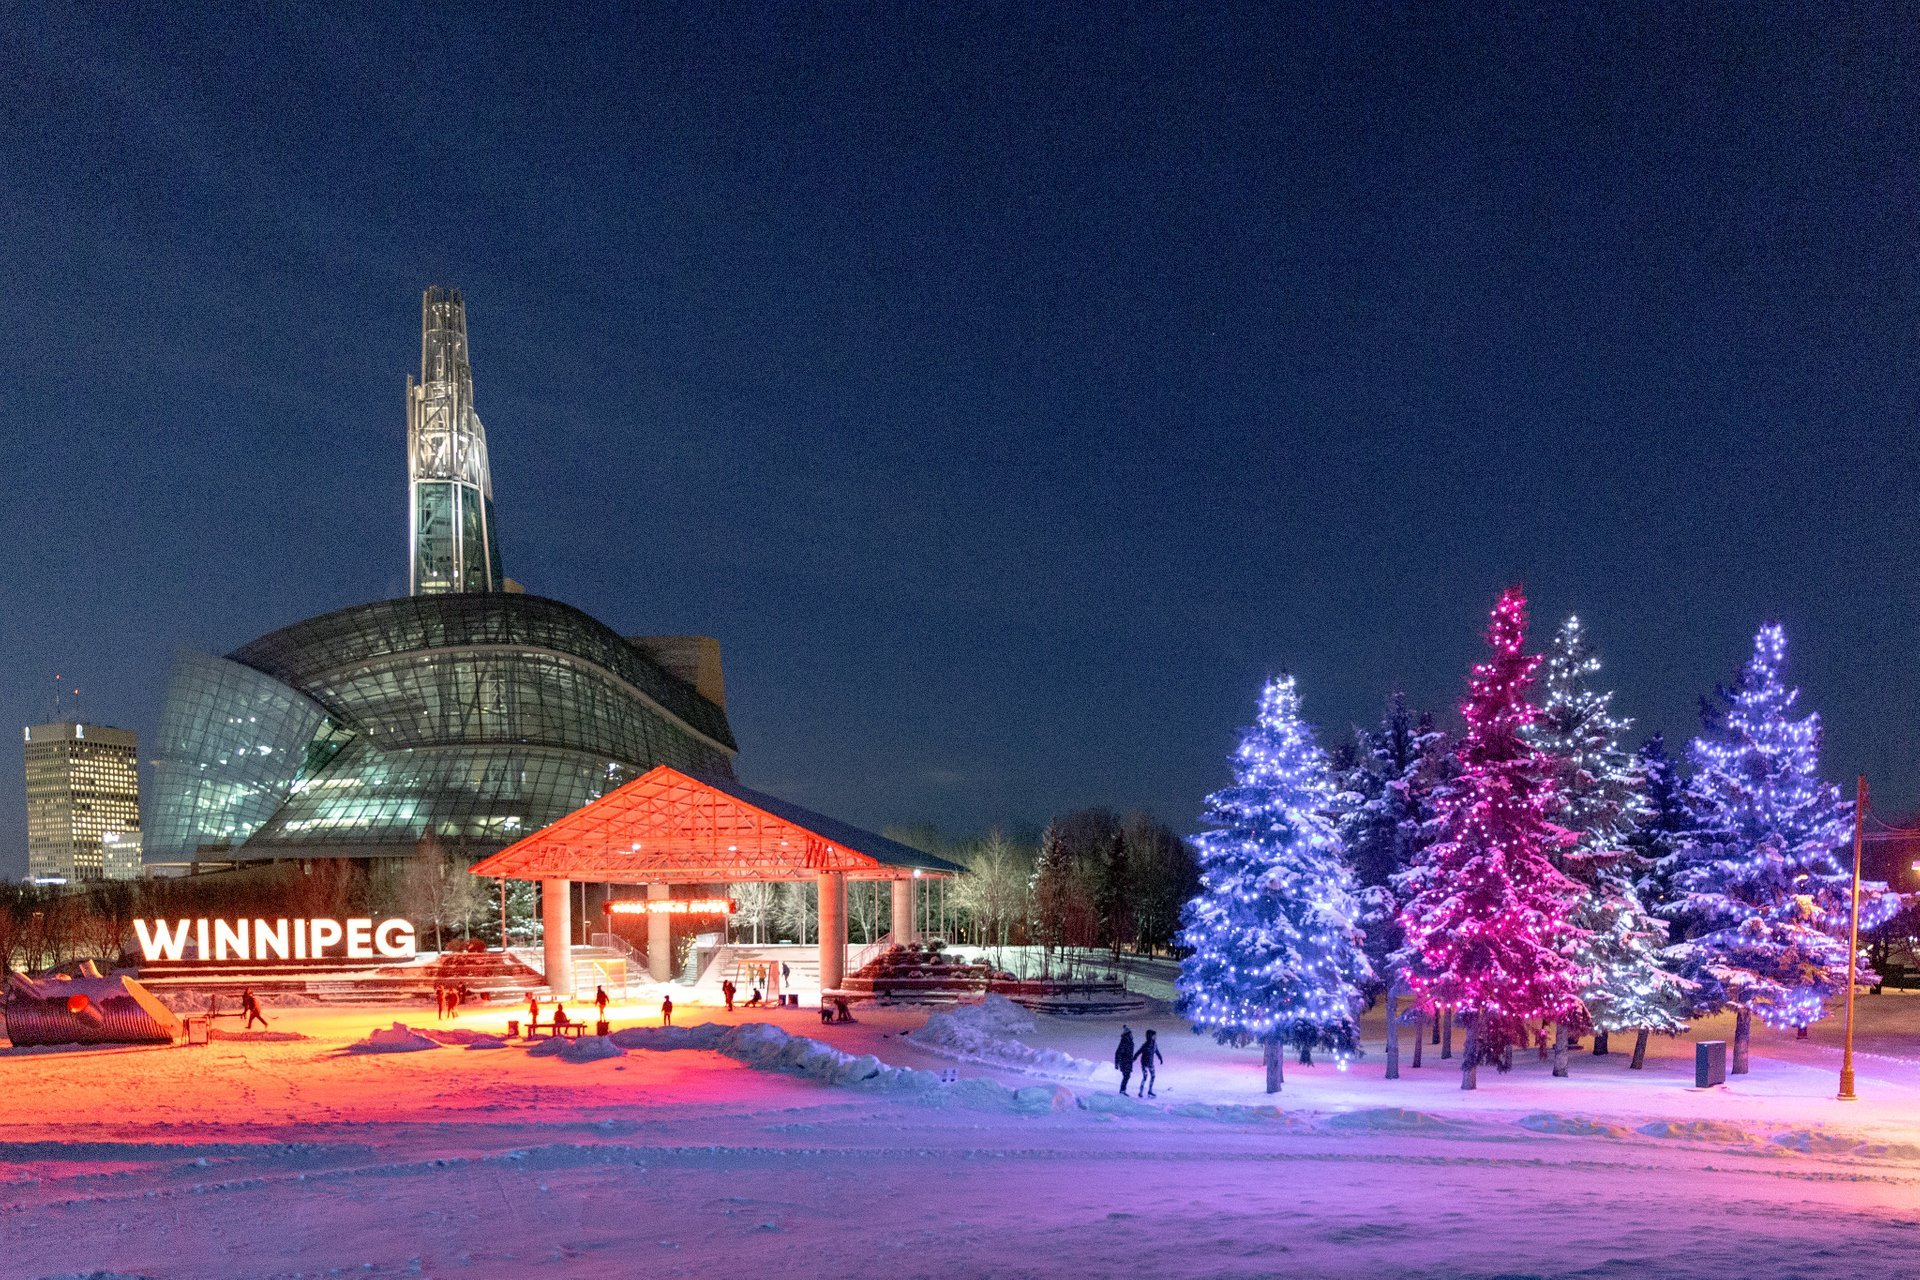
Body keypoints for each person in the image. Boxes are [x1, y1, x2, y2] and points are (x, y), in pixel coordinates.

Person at [1135, 1029, 1162, 1098]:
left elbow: (1157, 1052)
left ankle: (1150, 1090)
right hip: (1144, 1063)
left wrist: (1160, 1058)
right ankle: (1140, 1092)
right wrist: (1133, 1059)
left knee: (1153, 1076)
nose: (1155, 1037)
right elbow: (1138, 1052)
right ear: (1150, 1036)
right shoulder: (1145, 1045)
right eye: (1154, 1035)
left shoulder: (1154, 1044)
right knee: (1145, 1077)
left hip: (1150, 1063)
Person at [1114, 1025, 1135, 1094]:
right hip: (1125, 1062)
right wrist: (1117, 1063)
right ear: (1128, 1034)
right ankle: (1122, 1091)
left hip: (1128, 1062)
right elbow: (1118, 1052)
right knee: (1126, 1076)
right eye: (1130, 1033)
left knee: (1127, 1076)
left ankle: (1123, 1090)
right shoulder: (1124, 1042)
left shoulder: (1130, 1042)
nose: (1132, 1035)